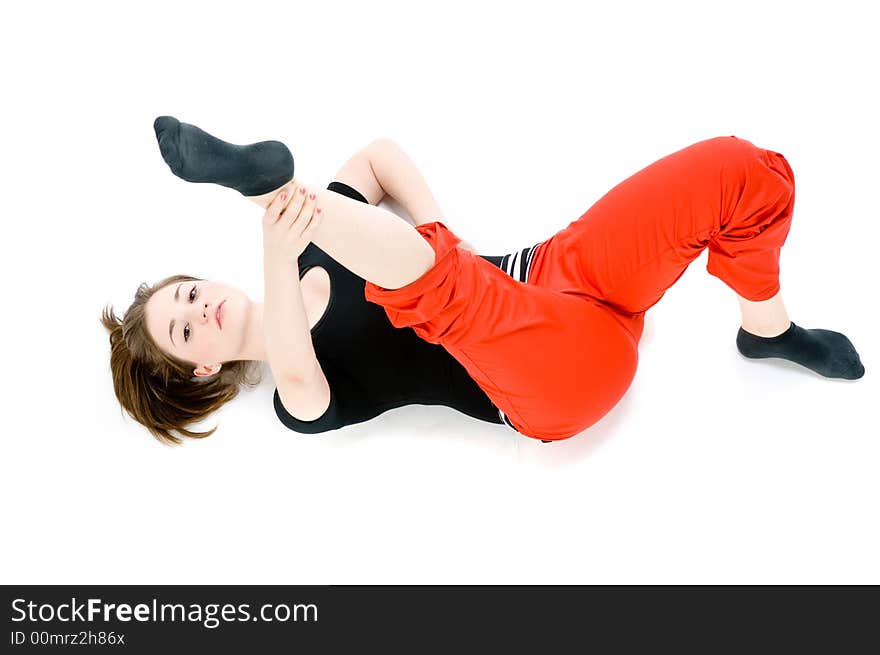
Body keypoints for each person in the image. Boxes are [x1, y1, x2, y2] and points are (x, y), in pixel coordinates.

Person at [101, 117, 865, 446]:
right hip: (548, 381)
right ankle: (263, 184)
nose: (200, 306)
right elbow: (296, 362)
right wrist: (276, 214)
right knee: (447, 294)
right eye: (185, 325)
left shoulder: (313, 253)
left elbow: (375, 155)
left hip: (556, 270)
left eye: (188, 291)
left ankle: (764, 330)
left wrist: (443, 231)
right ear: (203, 365)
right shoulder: (295, 402)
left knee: (739, 170)